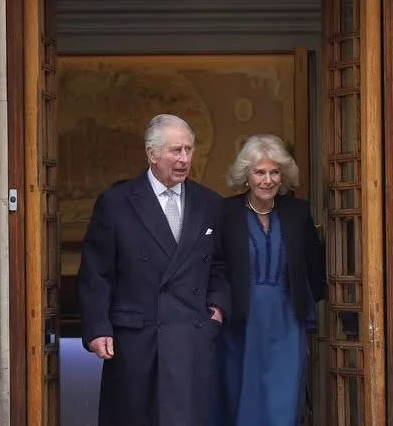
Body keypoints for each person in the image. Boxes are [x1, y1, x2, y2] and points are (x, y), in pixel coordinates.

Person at [78, 114, 230, 426]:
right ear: (152, 154)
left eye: (189, 150)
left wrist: (216, 309)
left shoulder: (210, 203)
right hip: (136, 339)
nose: (184, 159)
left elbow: (220, 265)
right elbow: (97, 271)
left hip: (190, 337)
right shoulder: (116, 202)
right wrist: (98, 327)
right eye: (176, 151)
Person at [212, 134, 326, 426]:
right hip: (240, 323)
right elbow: (214, 265)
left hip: (287, 322)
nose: (267, 179)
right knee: (242, 400)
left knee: (283, 403)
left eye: (274, 172)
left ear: (283, 175)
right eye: (259, 172)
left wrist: (307, 303)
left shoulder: (296, 212)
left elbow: (314, 264)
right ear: (246, 176)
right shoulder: (225, 213)